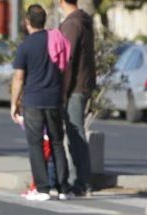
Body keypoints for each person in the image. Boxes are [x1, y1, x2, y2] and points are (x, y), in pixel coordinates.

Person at [11, 4, 71, 201]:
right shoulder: (56, 39)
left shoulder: (26, 45)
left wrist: (14, 103)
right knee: (57, 142)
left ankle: (43, 188)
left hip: (33, 100)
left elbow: (19, 77)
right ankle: (63, 187)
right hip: (54, 99)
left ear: (27, 21)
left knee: (35, 144)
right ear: (44, 20)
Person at [59, 0, 96, 196]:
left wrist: (62, 90)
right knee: (76, 131)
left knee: (75, 133)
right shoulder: (84, 20)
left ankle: (81, 182)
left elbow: (67, 58)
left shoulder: (72, 24)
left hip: (74, 87)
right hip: (82, 84)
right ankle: (82, 180)